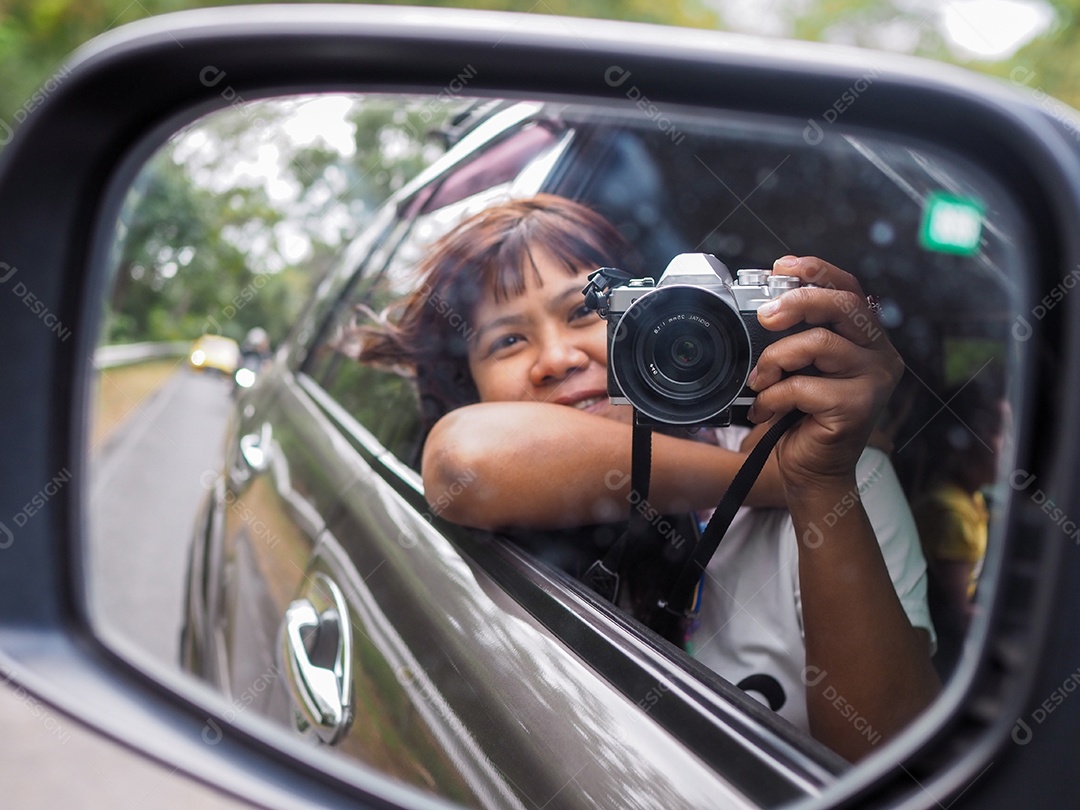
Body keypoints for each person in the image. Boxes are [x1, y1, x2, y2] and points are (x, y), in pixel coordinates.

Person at [354, 194, 940, 761]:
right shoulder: (490, 475)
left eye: (585, 310)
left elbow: (894, 766)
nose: (557, 358)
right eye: (508, 340)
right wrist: (767, 479)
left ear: (659, 312)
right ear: (469, 390)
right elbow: (467, 457)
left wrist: (819, 483)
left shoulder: (842, 478)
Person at [912, 380, 1009, 679]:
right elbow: (955, 615)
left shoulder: (973, 498)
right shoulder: (951, 514)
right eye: (1000, 432)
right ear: (965, 440)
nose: (1010, 445)